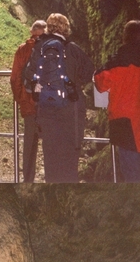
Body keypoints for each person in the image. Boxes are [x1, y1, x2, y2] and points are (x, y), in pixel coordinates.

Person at [25, 13, 94, 183]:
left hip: (47, 113)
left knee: (51, 160)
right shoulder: (73, 49)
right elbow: (89, 73)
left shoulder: (39, 48)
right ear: (66, 29)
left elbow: (27, 78)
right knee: (70, 161)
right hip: (70, 112)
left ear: (48, 28)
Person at [94, 20, 140, 182]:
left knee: (132, 174)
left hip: (127, 123)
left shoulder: (121, 58)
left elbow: (100, 82)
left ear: (126, 36)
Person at [10, 20, 47, 182]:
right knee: (50, 144)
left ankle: (28, 179)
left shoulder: (22, 50)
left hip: (28, 104)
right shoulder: (51, 49)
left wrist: (21, 98)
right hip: (47, 105)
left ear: (32, 32)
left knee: (29, 145)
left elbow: (14, 78)